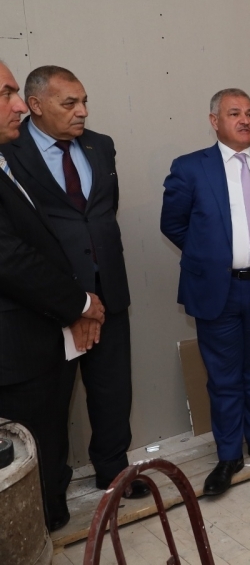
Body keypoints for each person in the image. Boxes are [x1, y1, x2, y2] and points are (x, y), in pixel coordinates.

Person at [3, 66, 148, 499]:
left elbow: (98, 215)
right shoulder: (10, 151)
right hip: (51, 302)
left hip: (108, 291)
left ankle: (114, 471)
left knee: (112, 391)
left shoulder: (100, 146)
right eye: (69, 103)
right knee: (50, 403)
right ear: (35, 105)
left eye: (84, 102)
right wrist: (72, 301)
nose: (82, 111)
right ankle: (51, 489)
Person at [160, 88, 250, 496]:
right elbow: (173, 224)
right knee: (223, 378)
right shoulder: (190, 168)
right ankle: (228, 456)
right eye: (234, 113)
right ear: (214, 121)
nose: (244, 120)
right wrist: (212, 256)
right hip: (216, 289)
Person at [0, 59, 105, 530]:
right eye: (7, 94)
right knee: (29, 463)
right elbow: (11, 258)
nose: (18, 106)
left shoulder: (5, 159)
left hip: (36, 339)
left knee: (46, 452)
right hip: (16, 353)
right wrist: (79, 304)